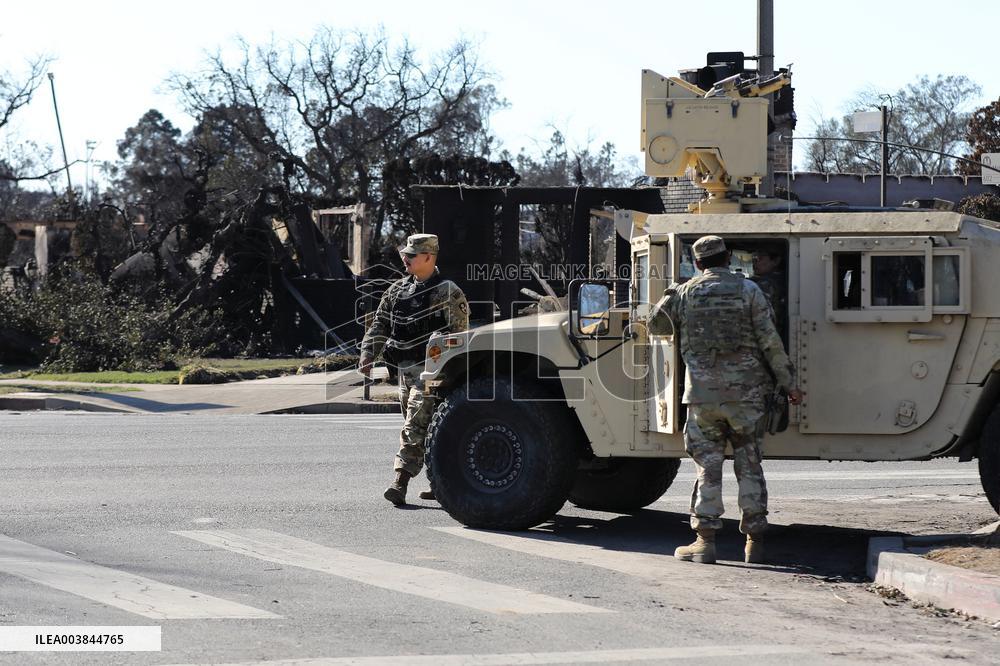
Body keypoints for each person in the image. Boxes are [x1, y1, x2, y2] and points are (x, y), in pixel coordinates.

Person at [648, 235, 802, 565]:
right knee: (749, 465)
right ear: (728, 258)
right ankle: (755, 544)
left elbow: (655, 326)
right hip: (747, 397)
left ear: (699, 263)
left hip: (703, 397)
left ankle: (704, 543)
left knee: (708, 468)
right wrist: (789, 384)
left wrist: (670, 293)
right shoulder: (750, 290)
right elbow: (770, 342)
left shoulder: (686, 293)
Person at [359, 233, 470, 506]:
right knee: (432, 430)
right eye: (404, 254)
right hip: (403, 371)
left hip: (433, 374)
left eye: (412, 254)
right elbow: (380, 325)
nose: (405, 258)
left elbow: (459, 336)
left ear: (429, 257)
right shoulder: (396, 291)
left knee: (414, 425)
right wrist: (367, 355)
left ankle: (400, 481)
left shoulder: (447, 292)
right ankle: (442, 483)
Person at [751, 248, 788, 344]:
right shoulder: (784, 279)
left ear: (776, 261)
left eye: (759, 258)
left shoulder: (765, 285)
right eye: (753, 258)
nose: (754, 262)